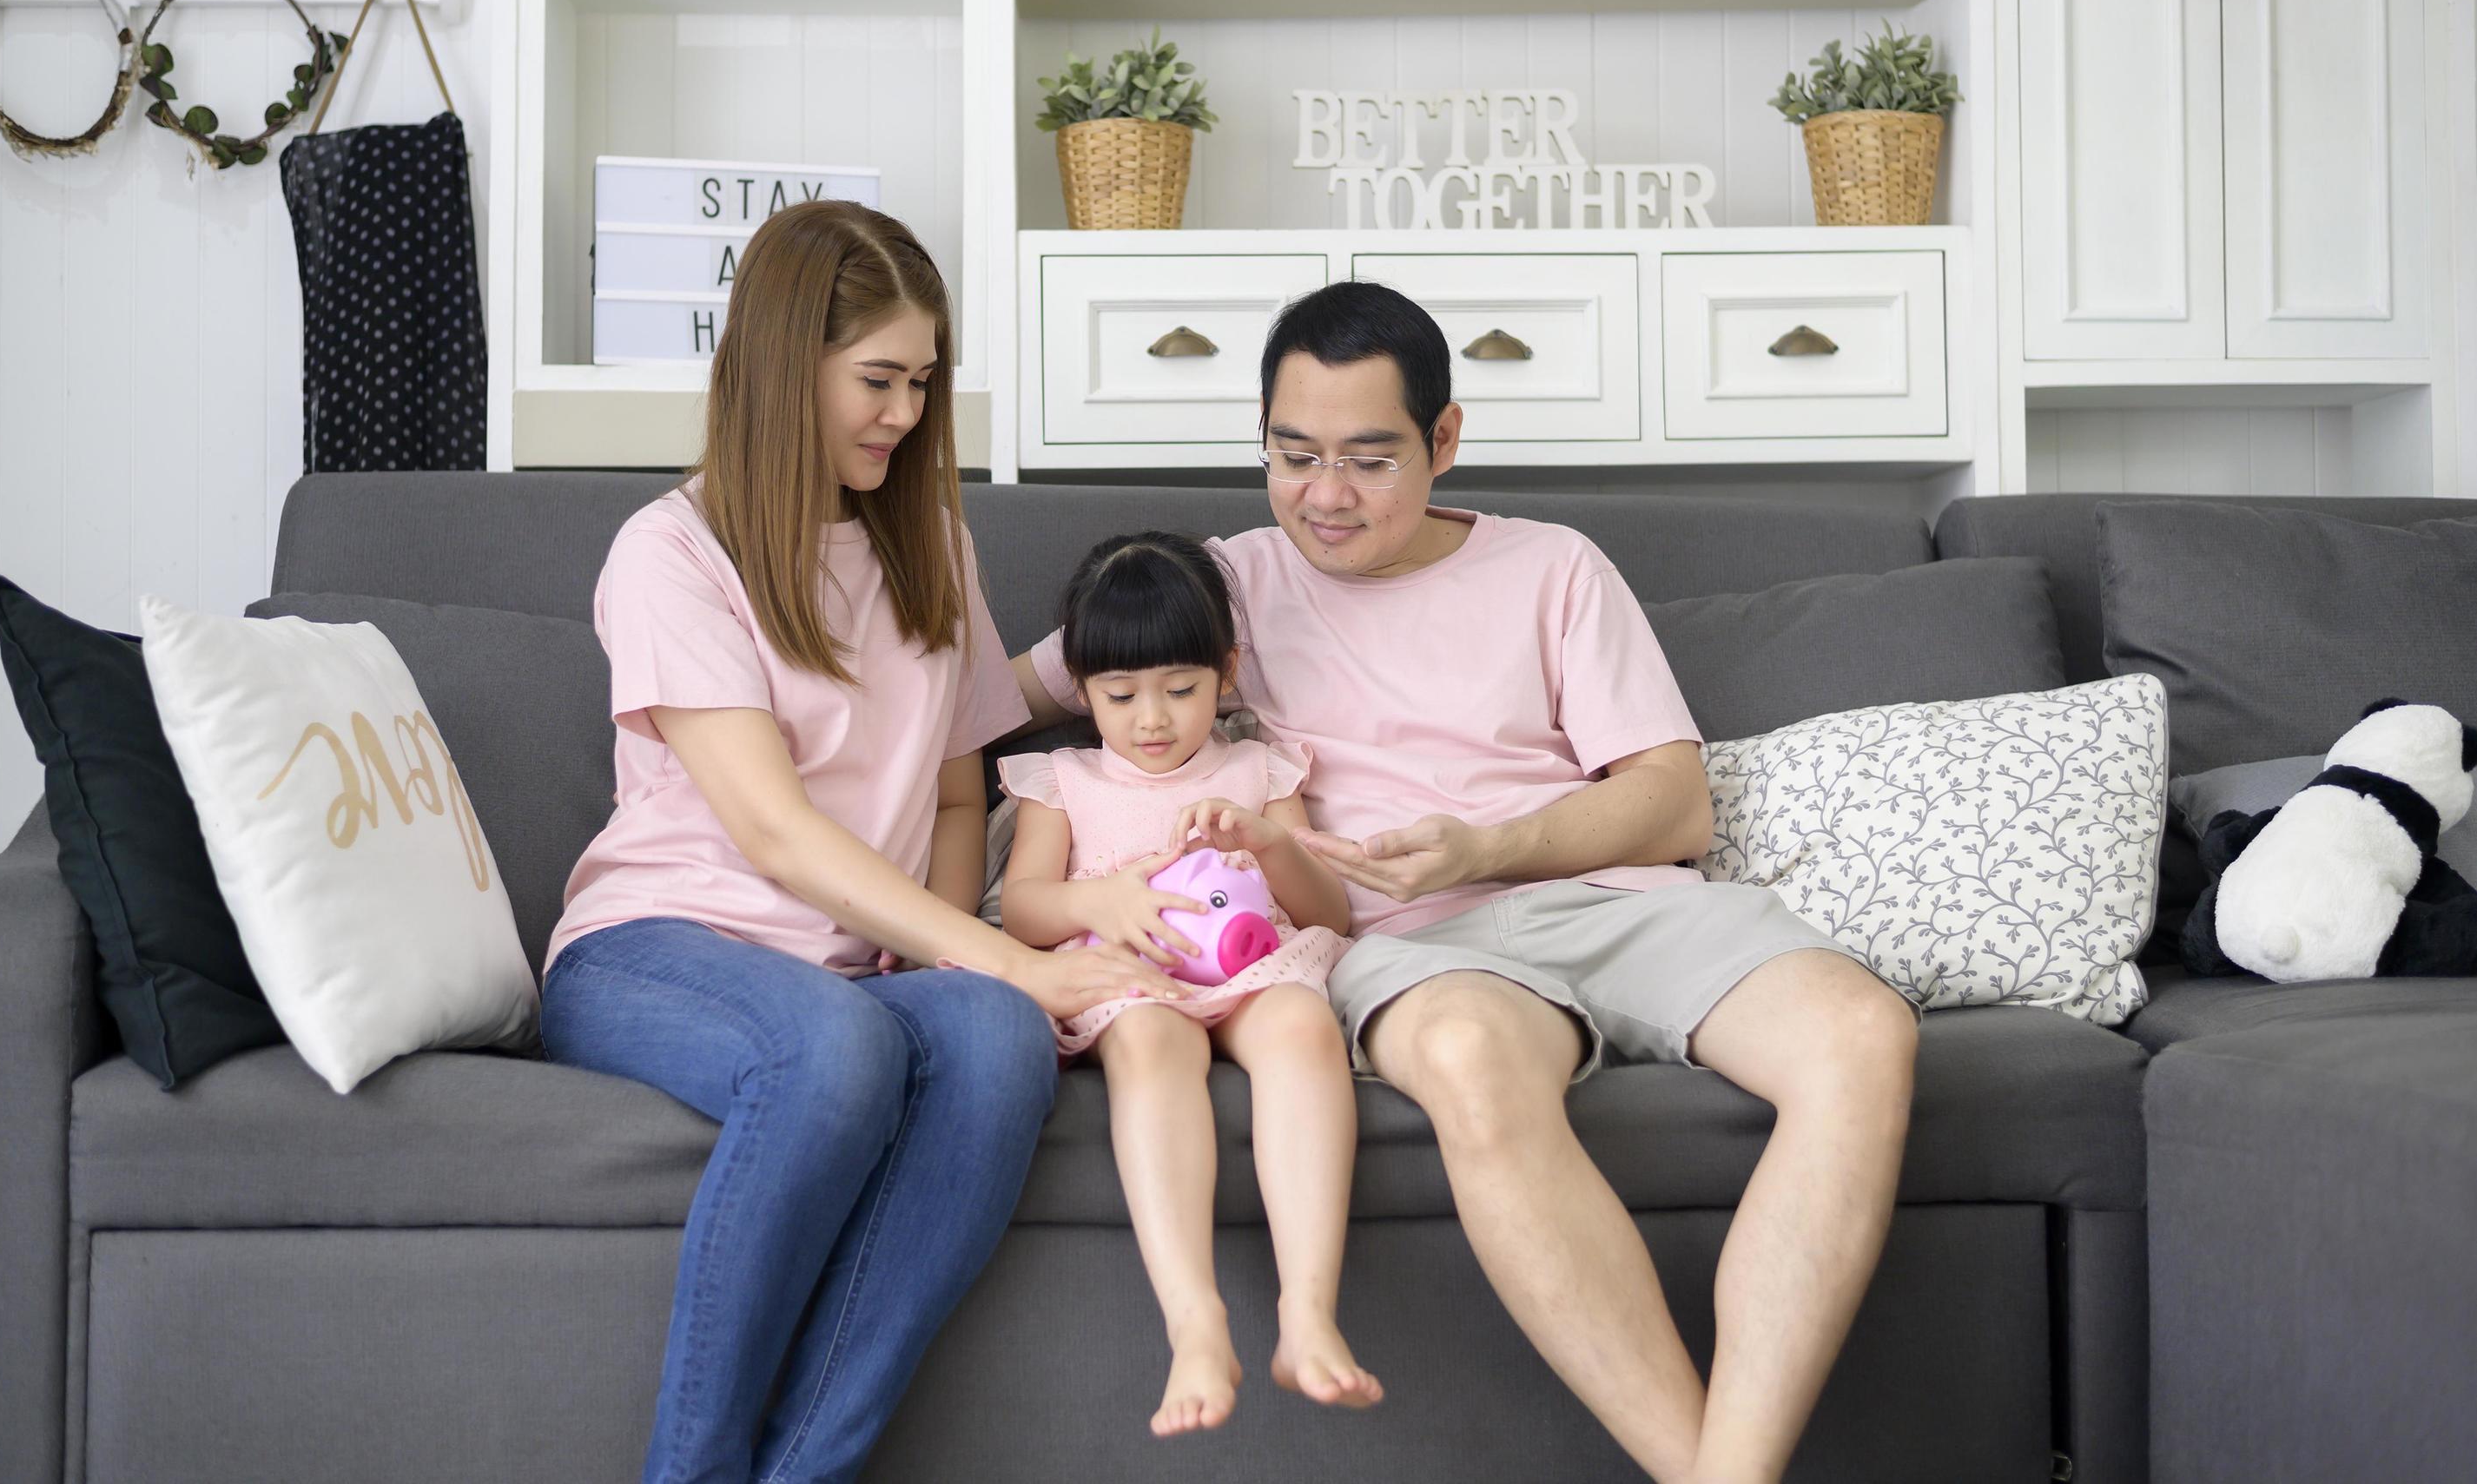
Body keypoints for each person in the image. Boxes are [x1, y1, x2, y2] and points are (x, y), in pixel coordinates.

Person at [1011, 280, 1921, 1484]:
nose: (1323, 496)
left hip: (1614, 903)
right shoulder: (1211, 586)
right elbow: (982, 703)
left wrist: (1489, 847)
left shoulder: (1553, 567)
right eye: (1292, 455)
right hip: (1413, 945)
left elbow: (1673, 796)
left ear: (1443, 441)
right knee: (1469, 1064)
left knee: (1861, 1033)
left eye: (1367, 458)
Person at [539, 200, 1185, 1484]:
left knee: (997, 1041)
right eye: (876, 380)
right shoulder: (670, 554)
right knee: (839, 1051)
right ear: (786, 367)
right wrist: (1001, 955)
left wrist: (950, 970)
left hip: (859, 964)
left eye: (922, 383)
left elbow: (958, 799)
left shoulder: (928, 540)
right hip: (659, 946)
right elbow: (773, 833)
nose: (902, 412)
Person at [996, 532, 1377, 1438]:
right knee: (1151, 1045)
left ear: (1227, 672)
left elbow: (1331, 915)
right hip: (1129, 976)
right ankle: (1195, 1320)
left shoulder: (1260, 770)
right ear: (1082, 689)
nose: (1152, 719)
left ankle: (1306, 1312)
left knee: (1300, 1027)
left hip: (1251, 965)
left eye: (1181, 687)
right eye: (1119, 695)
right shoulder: (1064, 780)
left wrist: (1267, 842)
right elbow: (1021, 911)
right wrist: (1100, 897)